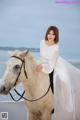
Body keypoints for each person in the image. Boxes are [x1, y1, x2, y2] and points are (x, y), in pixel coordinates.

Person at [36, 26, 80, 120]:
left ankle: (55, 105)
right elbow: (42, 57)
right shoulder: (42, 42)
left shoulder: (56, 47)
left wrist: (43, 67)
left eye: (53, 34)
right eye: (49, 33)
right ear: (47, 33)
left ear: (56, 36)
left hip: (56, 65)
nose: (50, 36)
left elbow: (51, 65)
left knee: (62, 80)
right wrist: (40, 65)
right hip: (44, 62)